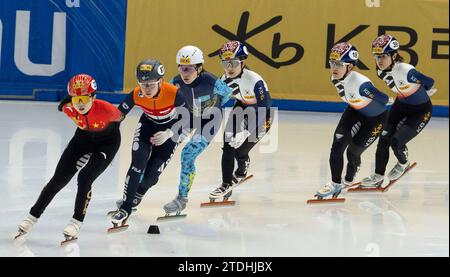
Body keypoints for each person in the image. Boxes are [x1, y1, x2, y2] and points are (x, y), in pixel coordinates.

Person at [16, 74, 122, 242]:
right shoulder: (67, 107)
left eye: (84, 99)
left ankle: (76, 221)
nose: (80, 104)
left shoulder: (108, 109)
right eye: (76, 99)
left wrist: (105, 158)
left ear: (94, 97)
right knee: (58, 179)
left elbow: (119, 122)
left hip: (107, 143)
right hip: (82, 140)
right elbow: (69, 105)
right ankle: (31, 217)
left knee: (85, 177)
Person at [109, 59, 187, 228]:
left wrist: (169, 133)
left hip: (170, 130)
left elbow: (188, 118)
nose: (146, 89)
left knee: (152, 176)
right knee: (137, 166)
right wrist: (108, 134)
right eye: (142, 84)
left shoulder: (173, 93)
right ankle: (126, 207)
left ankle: (139, 193)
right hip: (147, 127)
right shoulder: (137, 93)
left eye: (151, 84)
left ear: (161, 81)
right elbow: (118, 115)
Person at [161, 45, 232, 216]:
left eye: (189, 69)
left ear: (199, 68)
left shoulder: (210, 80)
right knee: (162, 147)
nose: (184, 73)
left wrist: (214, 107)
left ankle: (182, 198)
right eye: (181, 67)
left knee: (187, 155)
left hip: (209, 121)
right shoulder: (175, 82)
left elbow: (227, 93)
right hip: (188, 117)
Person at [314, 42, 390, 200]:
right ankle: (335, 184)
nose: (334, 68)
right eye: (332, 63)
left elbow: (383, 99)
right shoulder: (335, 77)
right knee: (337, 146)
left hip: (375, 120)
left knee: (353, 151)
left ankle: (352, 172)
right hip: (354, 111)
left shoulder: (362, 85)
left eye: (339, 64)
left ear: (350, 67)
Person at [360, 35, 436, 188]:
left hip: (420, 111)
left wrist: (425, 91)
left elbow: (430, 81)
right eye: (376, 56)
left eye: (383, 56)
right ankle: (378, 176)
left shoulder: (406, 71)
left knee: (397, 141)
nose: (379, 60)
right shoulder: (380, 70)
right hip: (400, 106)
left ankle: (403, 164)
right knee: (383, 138)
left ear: (394, 55)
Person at [209, 40, 272, 201]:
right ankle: (225, 183)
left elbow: (265, 109)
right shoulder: (223, 80)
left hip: (261, 114)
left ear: (242, 62)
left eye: (233, 63)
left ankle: (243, 166)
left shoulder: (254, 80)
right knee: (228, 143)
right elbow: (216, 104)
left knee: (240, 152)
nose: (229, 68)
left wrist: (245, 131)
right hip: (241, 107)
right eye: (225, 63)